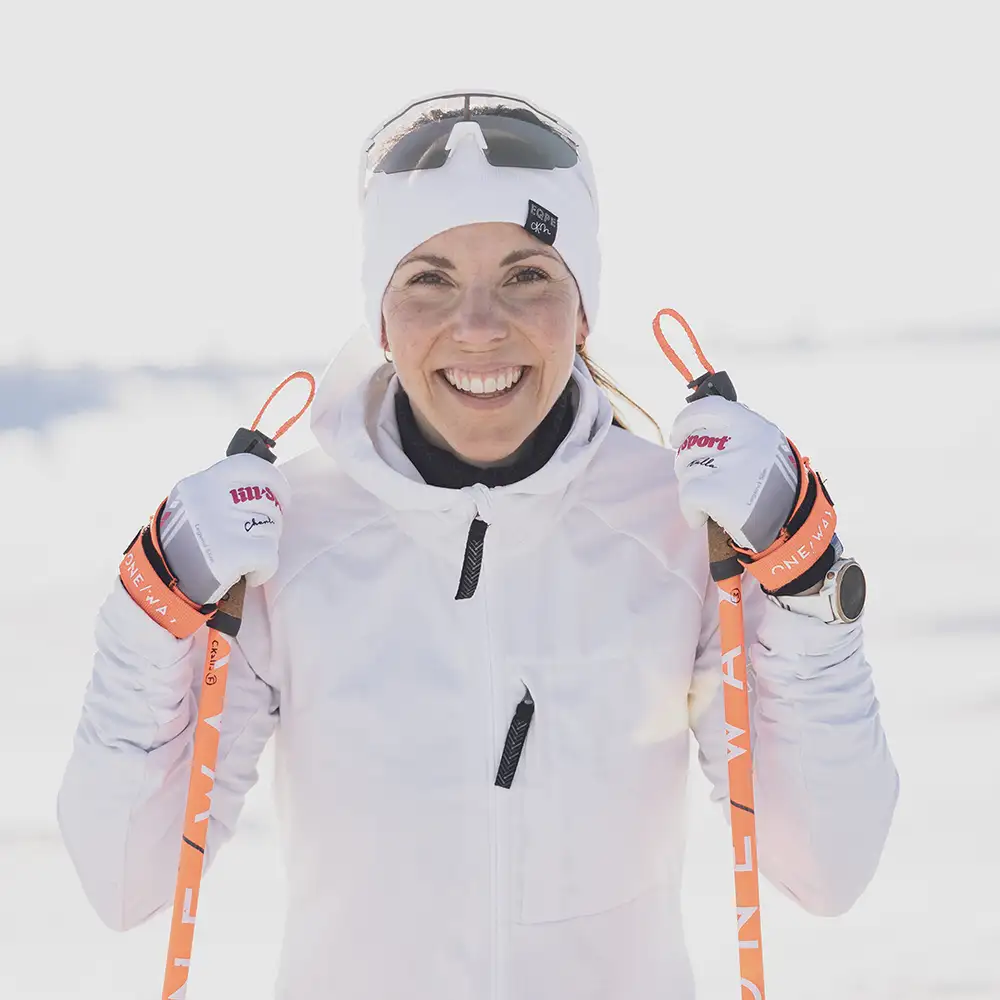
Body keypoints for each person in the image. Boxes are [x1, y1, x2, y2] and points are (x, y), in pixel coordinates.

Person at [57, 91, 899, 999]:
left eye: (527, 274)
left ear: (583, 309)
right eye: (429, 278)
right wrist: (153, 610)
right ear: (381, 318)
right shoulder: (288, 539)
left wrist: (804, 572)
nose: (479, 326)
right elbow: (125, 878)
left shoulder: (678, 527)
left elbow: (829, 863)